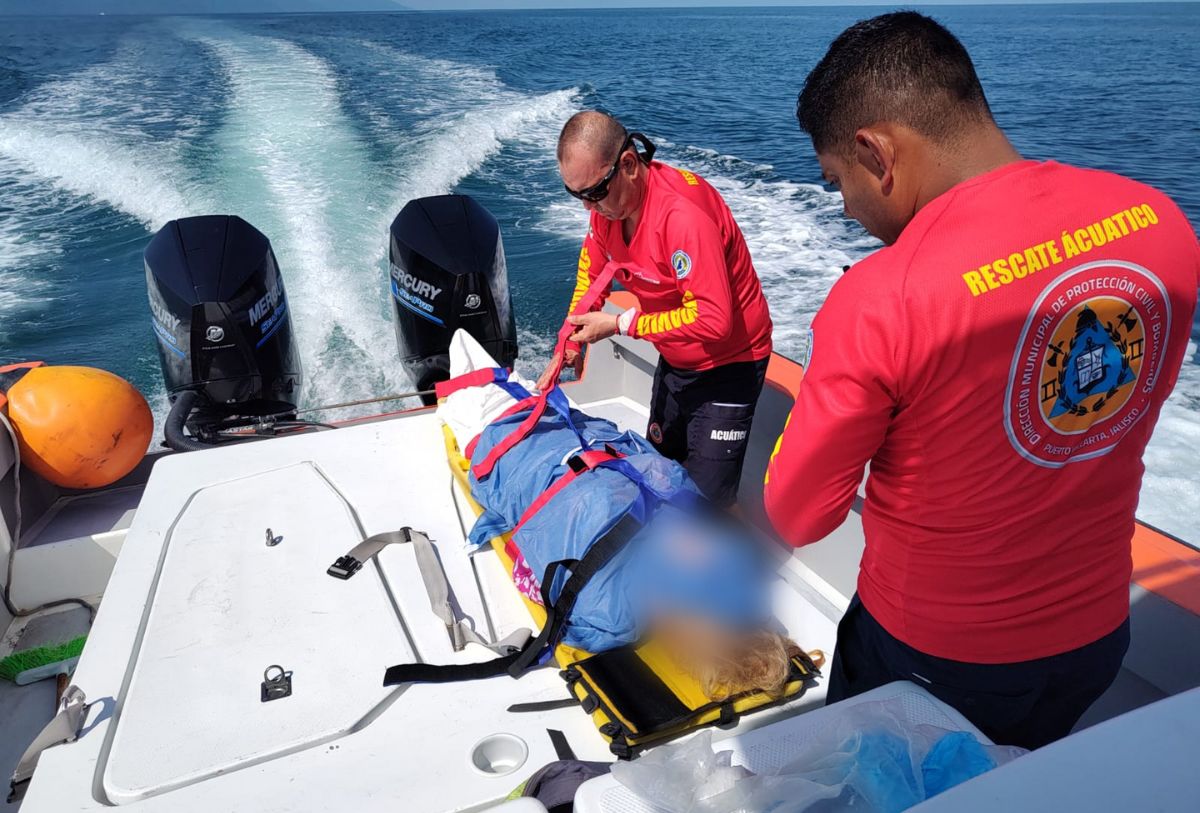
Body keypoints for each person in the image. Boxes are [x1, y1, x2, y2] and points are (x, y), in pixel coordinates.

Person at [765, 11, 1199, 749]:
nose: (844, 207)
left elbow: (800, 515)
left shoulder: (883, 295)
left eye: (838, 180)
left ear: (876, 152)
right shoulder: (1158, 223)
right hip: (1095, 639)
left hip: (935, 658)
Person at [440, 333, 803, 699]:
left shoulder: (734, 563)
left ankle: (498, 382)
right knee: (479, 382)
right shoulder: (605, 621)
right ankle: (495, 383)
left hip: (569, 443)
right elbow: (534, 573)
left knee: (477, 367)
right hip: (531, 453)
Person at [538, 111, 773, 507]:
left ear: (628, 165)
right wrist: (569, 342)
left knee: (704, 504)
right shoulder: (607, 212)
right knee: (660, 471)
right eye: (575, 195)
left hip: (730, 364)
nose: (587, 208)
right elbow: (590, 279)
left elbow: (713, 320)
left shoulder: (682, 218)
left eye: (593, 193)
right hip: (676, 358)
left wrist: (621, 324)